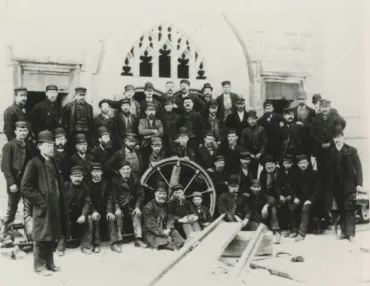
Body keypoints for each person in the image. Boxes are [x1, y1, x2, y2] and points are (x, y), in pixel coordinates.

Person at [21, 130, 69, 276]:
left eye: (52, 145)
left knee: (50, 235)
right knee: (41, 237)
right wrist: (41, 202)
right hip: (43, 207)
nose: (51, 148)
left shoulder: (53, 161)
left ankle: (50, 263)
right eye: (48, 145)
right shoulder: (33, 163)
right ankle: (40, 267)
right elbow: (26, 187)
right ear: (39, 146)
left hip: (54, 206)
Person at [310, 98, 346, 227]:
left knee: (333, 180)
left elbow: (342, 125)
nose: (324, 109)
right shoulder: (315, 119)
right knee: (322, 181)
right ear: (319, 107)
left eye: (326, 106)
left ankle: (336, 212)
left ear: (329, 107)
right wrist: (321, 143)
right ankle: (324, 213)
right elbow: (312, 133)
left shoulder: (335, 116)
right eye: (322, 107)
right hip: (321, 153)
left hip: (332, 152)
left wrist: (331, 143)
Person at [0, 121, 36, 239]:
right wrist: (11, 183)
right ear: (15, 131)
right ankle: (6, 235)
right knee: (12, 209)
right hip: (15, 183)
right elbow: (5, 166)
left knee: (29, 209)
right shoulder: (9, 146)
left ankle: (30, 234)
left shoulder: (30, 146)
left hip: (27, 183)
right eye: (20, 130)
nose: (22, 133)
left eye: (25, 130)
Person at [330, 127, 363, 243]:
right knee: (341, 210)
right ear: (333, 139)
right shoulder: (331, 151)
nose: (337, 139)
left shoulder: (351, 150)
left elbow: (358, 168)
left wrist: (359, 184)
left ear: (343, 137)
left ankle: (350, 234)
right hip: (336, 187)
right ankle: (344, 232)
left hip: (349, 185)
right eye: (335, 137)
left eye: (339, 137)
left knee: (350, 209)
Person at [107, 161, 147, 252]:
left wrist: (137, 207)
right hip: (118, 208)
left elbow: (141, 195)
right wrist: (117, 209)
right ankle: (116, 241)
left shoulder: (135, 180)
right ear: (119, 171)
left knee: (137, 214)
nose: (126, 171)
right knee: (115, 217)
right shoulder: (114, 181)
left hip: (130, 207)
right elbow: (113, 197)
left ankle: (138, 239)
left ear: (131, 169)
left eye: (128, 169)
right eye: (123, 169)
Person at [142, 181, 185, 250]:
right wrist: (163, 232)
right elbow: (151, 226)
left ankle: (183, 244)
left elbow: (170, 217)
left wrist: (168, 228)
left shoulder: (166, 205)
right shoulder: (148, 207)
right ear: (155, 194)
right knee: (165, 242)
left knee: (175, 233)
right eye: (160, 193)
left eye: (164, 194)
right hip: (152, 232)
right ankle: (175, 246)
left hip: (164, 228)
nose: (162, 196)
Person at [62, 166, 93, 254]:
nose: (77, 178)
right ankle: (61, 247)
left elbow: (87, 203)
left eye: (79, 176)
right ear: (70, 177)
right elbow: (61, 201)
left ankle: (85, 246)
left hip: (79, 213)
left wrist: (83, 215)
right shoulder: (65, 186)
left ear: (82, 177)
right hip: (66, 212)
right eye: (75, 176)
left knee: (89, 218)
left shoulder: (85, 187)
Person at [290, 155, 320, 241]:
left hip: (313, 199)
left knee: (305, 208)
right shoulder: (295, 174)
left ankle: (301, 233)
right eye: (300, 163)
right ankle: (294, 230)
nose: (302, 165)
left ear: (308, 163)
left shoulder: (315, 173)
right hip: (300, 199)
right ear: (298, 164)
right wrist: (295, 197)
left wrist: (310, 200)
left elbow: (317, 190)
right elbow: (293, 189)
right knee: (292, 208)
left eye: (304, 162)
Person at [245, 179, 281, 244]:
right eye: (254, 187)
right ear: (250, 187)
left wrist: (266, 205)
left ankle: (276, 230)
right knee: (259, 230)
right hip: (253, 221)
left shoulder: (263, 195)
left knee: (273, 207)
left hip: (263, 219)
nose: (256, 189)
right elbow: (249, 212)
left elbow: (273, 199)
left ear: (261, 187)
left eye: (258, 187)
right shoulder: (247, 197)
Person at [63, 87, 94, 153]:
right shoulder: (69, 106)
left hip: (86, 132)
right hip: (73, 133)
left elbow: (91, 122)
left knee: (84, 149)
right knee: (72, 150)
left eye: (83, 95)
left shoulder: (89, 107)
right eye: (80, 95)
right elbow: (65, 121)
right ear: (76, 95)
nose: (82, 97)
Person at [87, 163, 110, 248]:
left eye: (98, 171)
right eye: (94, 171)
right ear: (91, 173)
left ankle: (114, 241)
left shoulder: (106, 184)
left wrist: (109, 211)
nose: (96, 174)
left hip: (105, 209)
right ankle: (96, 244)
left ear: (102, 172)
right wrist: (94, 211)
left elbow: (110, 198)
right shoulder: (87, 184)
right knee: (95, 218)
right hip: (92, 210)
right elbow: (87, 200)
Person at [241, 110, 267, 178]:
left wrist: (260, 153)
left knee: (261, 171)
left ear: (256, 119)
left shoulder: (261, 129)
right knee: (250, 172)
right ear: (247, 120)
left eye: (254, 119)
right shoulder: (244, 131)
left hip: (260, 154)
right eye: (250, 119)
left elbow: (265, 142)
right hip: (250, 155)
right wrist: (249, 154)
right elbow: (243, 144)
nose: (252, 121)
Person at [291, 88, 316, 156]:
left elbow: (313, 125)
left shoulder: (312, 111)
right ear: (296, 99)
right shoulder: (292, 111)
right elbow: (289, 123)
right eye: (299, 99)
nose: (301, 101)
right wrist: (294, 124)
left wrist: (303, 124)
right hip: (295, 142)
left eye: (303, 99)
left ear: (306, 99)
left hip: (307, 142)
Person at [275, 154, 295, 235]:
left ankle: (292, 228)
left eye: (289, 163)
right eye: (285, 163)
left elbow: (296, 186)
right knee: (281, 208)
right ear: (282, 163)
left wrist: (292, 195)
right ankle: (283, 228)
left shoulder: (294, 172)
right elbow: (277, 186)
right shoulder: (279, 172)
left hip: (292, 195)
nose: (287, 165)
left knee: (291, 208)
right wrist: (280, 195)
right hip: (282, 195)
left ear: (292, 164)